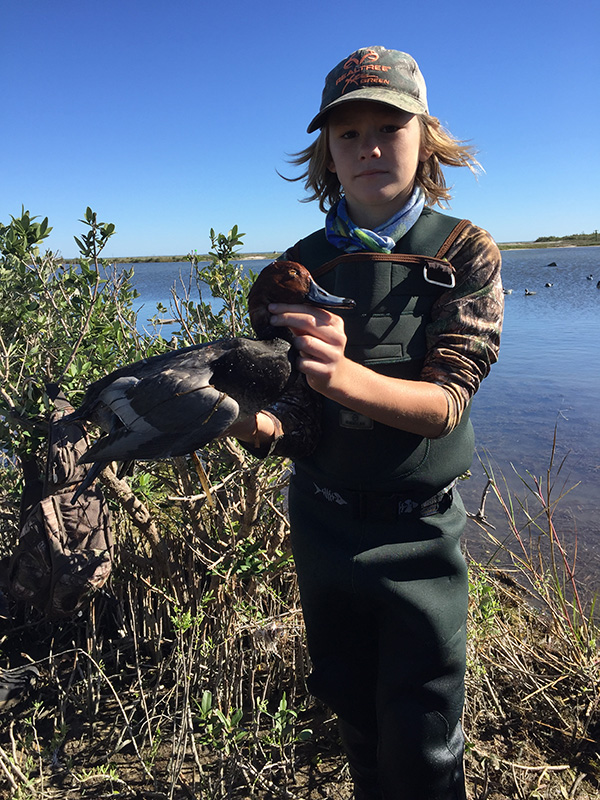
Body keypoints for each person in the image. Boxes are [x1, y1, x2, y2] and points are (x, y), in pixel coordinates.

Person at [230, 45, 503, 800]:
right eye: (347, 134)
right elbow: (293, 419)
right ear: (326, 152)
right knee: (355, 716)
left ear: (426, 136)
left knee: (422, 739)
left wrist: (343, 377)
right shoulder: (294, 265)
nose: (370, 147)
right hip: (322, 530)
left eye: (390, 126)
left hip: (418, 539)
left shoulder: (462, 252)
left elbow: (448, 402)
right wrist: (248, 422)